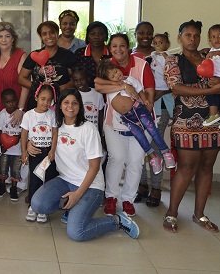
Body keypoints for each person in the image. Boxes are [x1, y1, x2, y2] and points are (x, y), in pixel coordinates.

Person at [30, 89, 140, 242]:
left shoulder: (88, 129)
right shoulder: (55, 126)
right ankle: (73, 210)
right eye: (66, 102)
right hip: (65, 180)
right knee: (37, 204)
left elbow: (94, 167)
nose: (70, 106)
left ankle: (117, 221)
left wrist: (77, 195)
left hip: (90, 185)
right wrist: (29, 144)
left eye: (75, 103)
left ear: (80, 107)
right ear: (59, 106)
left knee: (77, 232)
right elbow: (37, 136)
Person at [162, 20, 220, 234]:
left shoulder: (211, 56)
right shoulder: (172, 60)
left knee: (206, 167)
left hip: (215, 122)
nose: (193, 39)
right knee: (186, 168)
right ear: (180, 38)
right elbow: (176, 87)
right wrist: (211, 91)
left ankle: (200, 214)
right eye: (188, 35)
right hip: (187, 122)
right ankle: (172, 213)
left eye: (196, 36)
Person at [94, 33, 155, 217]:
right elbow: (98, 85)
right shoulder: (107, 66)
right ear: (109, 48)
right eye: (114, 46)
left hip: (141, 122)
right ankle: (111, 197)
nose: (118, 50)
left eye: (122, 46)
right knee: (116, 159)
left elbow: (149, 92)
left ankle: (128, 199)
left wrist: (142, 106)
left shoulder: (141, 65)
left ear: (129, 47)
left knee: (135, 162)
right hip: (114, 123)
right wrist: (123, 87)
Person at [97, 59, 176, 175]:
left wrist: (145, 100)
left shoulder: (129, 80)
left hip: (139, 109)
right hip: (126, 118)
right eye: (112, 76)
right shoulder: (110, 87)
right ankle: (153, 157)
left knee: (152, 130)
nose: (116, 75)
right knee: (140, 137)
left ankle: (166, 152)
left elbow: (140, 90)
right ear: (108, 80)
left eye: (116, 71)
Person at [0, 21, 29, 194]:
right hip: (1, 110)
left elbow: (26, 84)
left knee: (22, 145)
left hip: (18, 109)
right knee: (4, 146)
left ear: (13, 39)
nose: (4, 40)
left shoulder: (21, 55)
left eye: (7, 36)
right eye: (0, 37)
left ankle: (21, 182)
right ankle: (5, 178)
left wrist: (20, 110)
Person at [136, 32, 174, 206]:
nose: (144, 36)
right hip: (141, 106)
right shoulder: (135, 55)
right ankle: (142, 184)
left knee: (156, 146)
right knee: (141, 145)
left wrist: (158, 94)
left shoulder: (167, 57)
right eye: (140, 32)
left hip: (161, 107)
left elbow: (173, 81)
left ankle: (156, 188)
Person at [18, 21, 76, 110]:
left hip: (62, 103)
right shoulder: (34, 55)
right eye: (44, 34)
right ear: (41, 37)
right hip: (37, 104)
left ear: (57, 34)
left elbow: (75, 79)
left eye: (52, 32)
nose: (48, 36)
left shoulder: (68, 55)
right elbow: (21, 79)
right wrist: (39, 87)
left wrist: (60, 88)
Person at [21, 84, 57, 223]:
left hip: (48, 152)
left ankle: (44, 208)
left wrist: (53, 150)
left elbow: (55, 133)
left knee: (47, 180)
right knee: (35, 179)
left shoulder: (52, 114)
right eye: (43, 99)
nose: (46, 103)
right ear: (36, 97)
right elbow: (24, 134)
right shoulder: (29, 115)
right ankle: (32, 206)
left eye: (49, 100)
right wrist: (24, 151)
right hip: (35, 152)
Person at [0, 89, 23, 201]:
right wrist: (2, 144)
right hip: (4, 149)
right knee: (3, 169)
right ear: (3, 103)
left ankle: (13, 188)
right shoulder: (1, 115)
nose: (11, 104)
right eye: (7, 102)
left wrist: (18, 138)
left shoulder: (22, 115)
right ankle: (2, 186)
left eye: (13, 101)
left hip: (18, 150)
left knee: (16, 170)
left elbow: (24, 130)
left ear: (17, 101)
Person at [74, 21, 111, 88]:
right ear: (88, 36)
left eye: (100, 33)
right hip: (85, 93)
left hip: (109, 91)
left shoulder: (112, 53)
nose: (96, 37)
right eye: (93, 34)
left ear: (106, 36)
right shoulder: (80, 53)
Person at [71, 66, 104, 135]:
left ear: (88, 78)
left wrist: (101, 133)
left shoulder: (97, 94)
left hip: (94, 131)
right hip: (79, 132)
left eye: (82, 79)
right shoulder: (73, 95)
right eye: (76, 80)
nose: (79, 83)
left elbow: (100, 115)